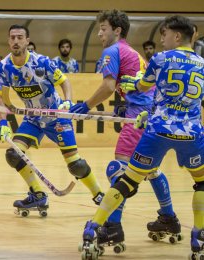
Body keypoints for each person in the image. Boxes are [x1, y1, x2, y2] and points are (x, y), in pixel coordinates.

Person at [80, 15, 204, 259]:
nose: (162, 40)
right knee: (201, 183)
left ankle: (94, 228)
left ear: (177, 36)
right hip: (191, 133)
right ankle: (199, 235)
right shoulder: (202, 63)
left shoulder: (159, 59)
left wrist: (130, 84)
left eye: (165, 34)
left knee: (126, 179)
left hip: (157, 130)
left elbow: (143, 86)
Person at [69, 9, 178, 251]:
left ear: (117, 30)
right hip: (152, 116)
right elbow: (139, 86)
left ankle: (113, 229)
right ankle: (169, 219)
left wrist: (86, 106)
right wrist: (123, 106)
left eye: (103, 28)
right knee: (149, 169)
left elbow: (108, 85)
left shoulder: (112, 51)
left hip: (138, 119)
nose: (99, 34)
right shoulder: (133, 52)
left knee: (117, 169)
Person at [0, 24, 104, 214]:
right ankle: (38, 194)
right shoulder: (4, 67)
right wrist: (3, 122)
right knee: (13, 154)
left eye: (20, 37)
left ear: (27, 41)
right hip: (33, 119)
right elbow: (2, 97)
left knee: (75, 165)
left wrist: (67, 103)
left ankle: (99, 195)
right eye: (12, 37)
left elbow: (64, 81)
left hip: (57, 118)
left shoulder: (42, 62)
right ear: (8, 40)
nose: (15, 41)